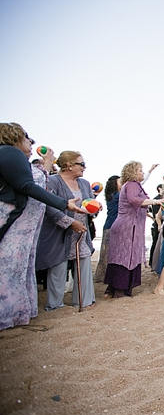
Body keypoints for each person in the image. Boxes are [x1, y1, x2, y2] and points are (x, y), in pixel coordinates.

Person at [0, 123, 83, 331]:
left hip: (23, 223)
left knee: (17, 268)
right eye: (28, 139)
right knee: (9, 267)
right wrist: (64, 203)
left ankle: (16, 313)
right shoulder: (10, 152)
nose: (31, 143)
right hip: (13, 220)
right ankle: (7, 315)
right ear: (16, 137)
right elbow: (28, 185)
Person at [36, 150, 96, 311]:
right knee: (58, 266)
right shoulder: (53, 181)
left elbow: (91, 203)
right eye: (81, 164)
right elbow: (48, 205)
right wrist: (70, 222)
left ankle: (84, 300)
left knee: (83, 264)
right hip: (59, 231)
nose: (85, 167)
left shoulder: (84, 183)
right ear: (69, 165)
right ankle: (55, 305)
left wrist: (95, 208)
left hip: (82, 231)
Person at [104, 162, 161, 298]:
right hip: (128, 227)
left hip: (128, 226)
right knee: (125, 257)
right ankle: (119, 290)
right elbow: (134, 200)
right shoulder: (131, 185)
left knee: (119, 256)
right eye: (140, 170)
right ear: (133, 172)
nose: (142, 173)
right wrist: (156, 201)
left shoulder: (132, 185)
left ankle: (112, 289)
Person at [94, 175, 120, 281]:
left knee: (105, 254)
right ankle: (106, 276)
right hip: (112, 227)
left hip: (109, 226)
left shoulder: (111, 195)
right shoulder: (117, 195)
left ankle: (102, 276)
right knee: (109, 254)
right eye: (120, 182)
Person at [148, 184, 163, 266]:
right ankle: (151, 263)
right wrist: (158, 223)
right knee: (155, 244)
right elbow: (156, 214)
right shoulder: (156, 199)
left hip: (163, 223)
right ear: (159, 189)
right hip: (157, 225)